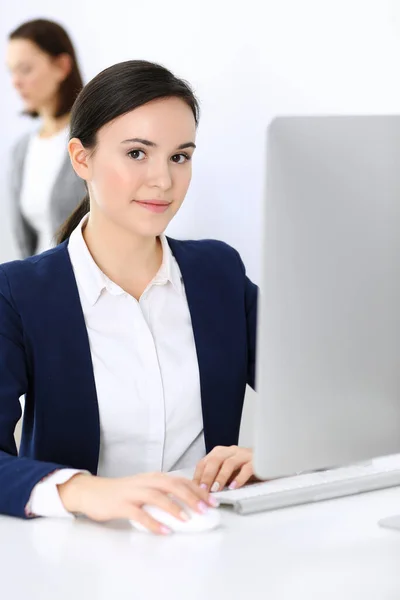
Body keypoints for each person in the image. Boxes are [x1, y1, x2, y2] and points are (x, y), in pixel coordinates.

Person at [0, 60, 258, 535]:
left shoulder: (218, 273)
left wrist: (273, 454)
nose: (163, 180)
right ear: (82, 159)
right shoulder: (20, 292)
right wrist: (85, 490)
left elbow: (323, 399)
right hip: (75, 557)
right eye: (138, 153)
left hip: (212, 542)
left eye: (180, 156)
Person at [6, 18, 86, 257]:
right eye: (11, 71)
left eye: (26, 69)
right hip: (39, 282)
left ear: (62, 66)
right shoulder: (21, 149)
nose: (15, 82)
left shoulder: (92, 138)